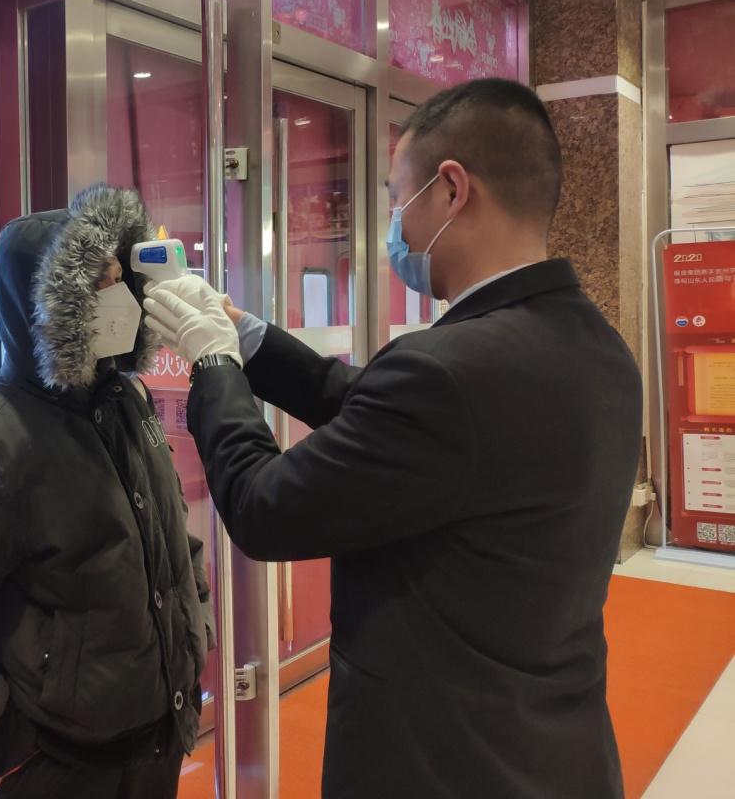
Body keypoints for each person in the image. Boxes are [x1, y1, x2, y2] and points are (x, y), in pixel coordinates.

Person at [143, 78, 643, 798]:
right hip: (556, 750)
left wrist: (213, 364)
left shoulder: (448, 372)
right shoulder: (598, 347)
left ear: (452, 190)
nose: (394, 231)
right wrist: (248, 337)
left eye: (396, 200)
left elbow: (262, 506)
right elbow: (375, 411)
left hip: (442, 763)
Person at [0, 185, 212, 799]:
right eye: (98, 284)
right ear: (49, 302)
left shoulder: (125, 400)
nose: (119, 298)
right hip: (54, 765)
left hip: (155, 740)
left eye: (121, 279)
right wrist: (6, 747)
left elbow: (169, 541)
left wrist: (195, 636)